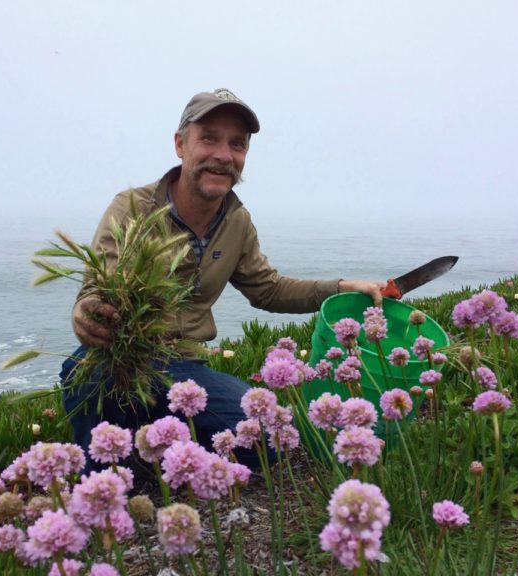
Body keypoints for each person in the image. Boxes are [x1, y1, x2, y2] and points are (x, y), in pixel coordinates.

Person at [59, 88, 384, 471]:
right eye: (209, 138)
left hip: (186, 368)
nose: (224, 155)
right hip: (124, 362)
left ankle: (158, 445)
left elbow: (268, 289)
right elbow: (99, 287)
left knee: (271, 436)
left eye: (237, 144)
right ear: (180, 144)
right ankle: (108, 475)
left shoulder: (236, 221)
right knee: (86, 377)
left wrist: (342, 288)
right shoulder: (133, 208)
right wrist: (86, 311)